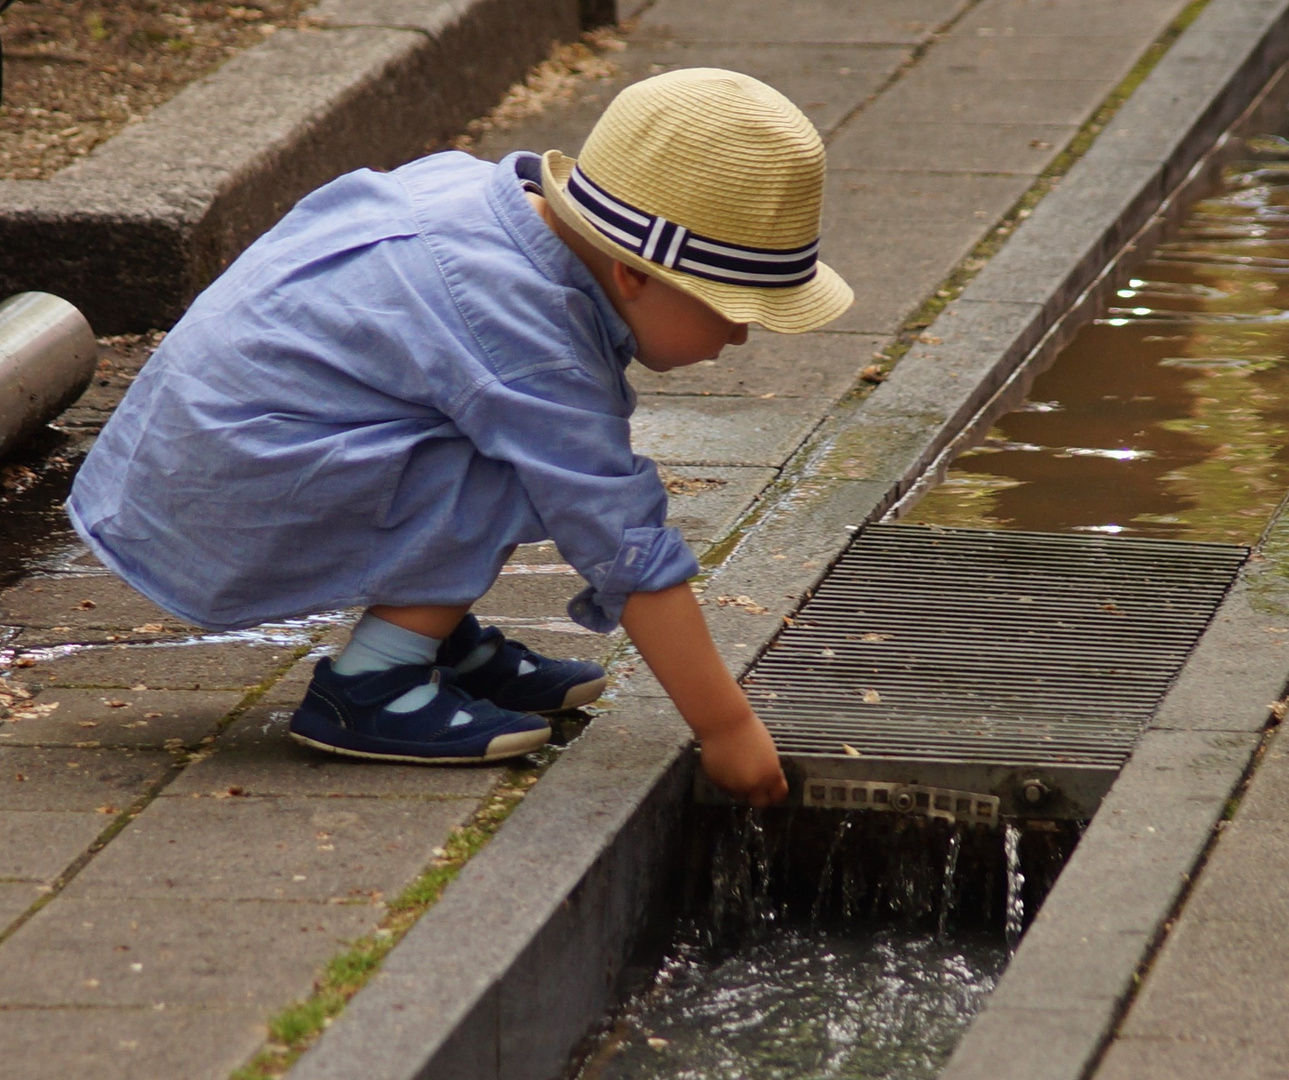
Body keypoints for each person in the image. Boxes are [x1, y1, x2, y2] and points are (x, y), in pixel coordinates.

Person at [65, 68, 852, 807]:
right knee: (528, 460)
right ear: (633, 276)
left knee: (491, 425)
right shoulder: (525, 337)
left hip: (196, 458)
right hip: (225, 498)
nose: (743, 339)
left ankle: (431, 636)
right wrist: (726, 726)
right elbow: (623, 541)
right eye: (733, 310)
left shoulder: (492, 203)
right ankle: (372, 684)